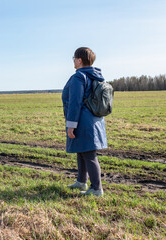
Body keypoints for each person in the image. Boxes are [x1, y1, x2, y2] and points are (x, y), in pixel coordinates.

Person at [62, 47, 107, 197]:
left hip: (82, 120)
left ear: (79, 60)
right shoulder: (96, 76)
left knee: (89, 154)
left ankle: (96, 189)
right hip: (95, 120)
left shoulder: (78, 77)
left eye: (74, 58)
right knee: (82, 151)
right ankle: (81, 181)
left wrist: (71, 125)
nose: (73, 61)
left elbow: (75, 102)